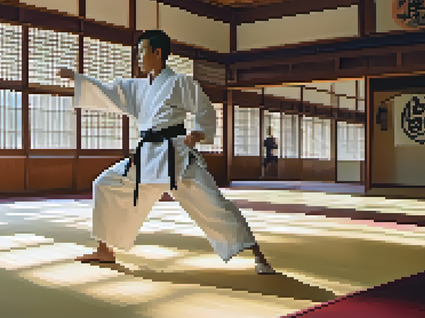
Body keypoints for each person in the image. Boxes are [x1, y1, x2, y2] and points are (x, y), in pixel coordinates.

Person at [56, 30, 275, 274]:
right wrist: (77, 79)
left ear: (157, 52)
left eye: (142, 51)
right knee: (104, 184)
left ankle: (258, 255)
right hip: (146, 157)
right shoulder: (139, 87)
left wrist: (198, 132)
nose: (138, 57)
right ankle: (105, 249)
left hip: (175, 157)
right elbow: (111, 92)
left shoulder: (179, 82)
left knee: (214, 204)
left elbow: (204, 108)